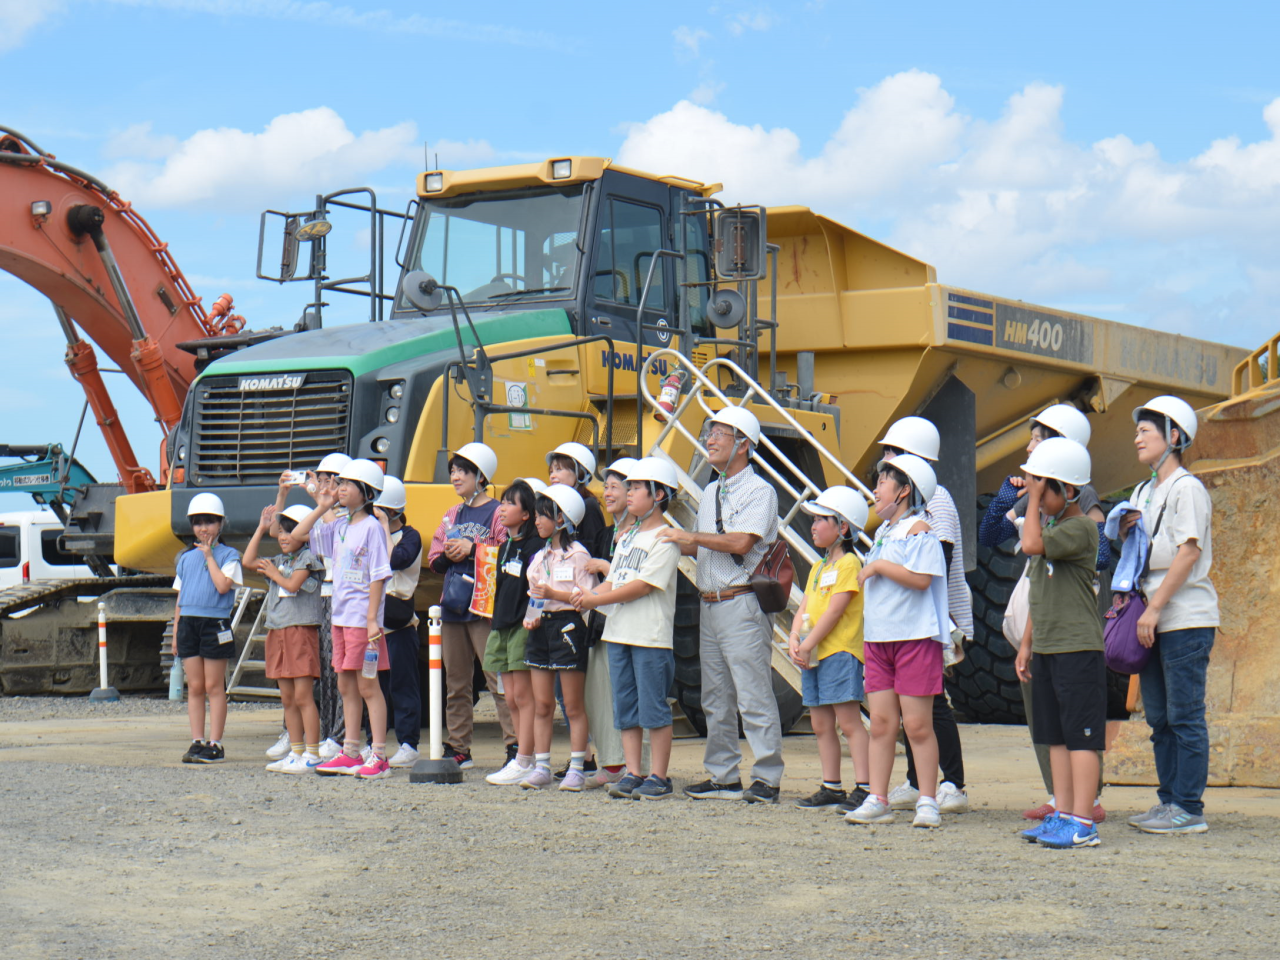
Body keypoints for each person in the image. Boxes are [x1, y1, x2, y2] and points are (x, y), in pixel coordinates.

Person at [977, 405, 1108, 822]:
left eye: (1037, 438)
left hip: (1072, 631)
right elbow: (990, 535)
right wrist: (1007, 499)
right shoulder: (1042, 503)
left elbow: (1096, 554)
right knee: (1050, 724)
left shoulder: (1077, 504)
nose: (1029, 447)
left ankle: (1084, 809)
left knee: (1078, 728)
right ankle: (1061, 802)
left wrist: (1032, 503)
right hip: (1044, 627)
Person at [657, 407, 784, 805]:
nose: (709, 439)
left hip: (741, 602)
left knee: (752, 693)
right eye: (710, 432)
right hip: (712, 603)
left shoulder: (761, 491)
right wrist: (665, 535)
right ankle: (723, 776)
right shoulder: (713, 489)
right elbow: (703, 542)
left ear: (743, 444)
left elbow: (740, 543)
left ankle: (767, 777)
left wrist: (687, 534)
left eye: (720, 433)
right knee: (715, 696)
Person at [1123, 396, 1218, 835]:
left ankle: (1188, 808)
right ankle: (1168, 802)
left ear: (1174, 436)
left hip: (1183, 617)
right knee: (1159, 717)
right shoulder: (1144, 492)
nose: (1137, 436)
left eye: (1147, 429)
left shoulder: (1187, 488)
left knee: (1184, 715)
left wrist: (1156, 606)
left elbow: (1188, 552)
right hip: (1151, 617)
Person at [844, 454, 949, 828]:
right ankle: (878, 797)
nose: (875, 490)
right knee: (883, 724)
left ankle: (927, 800)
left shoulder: (920, 530)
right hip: (879, 639)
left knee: (918, 726)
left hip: (914, 638)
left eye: (883, 483)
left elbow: (921, 578)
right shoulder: (884, 533)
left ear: (904, 490)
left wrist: (877, 566)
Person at [876, 417, 973, 816]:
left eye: (891, 453)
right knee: (915, 706)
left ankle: (951, 782)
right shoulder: (900, 515)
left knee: (932, 704)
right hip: (908, 621)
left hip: (934, 619)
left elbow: (940, 562)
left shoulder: (938, 500)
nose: (884, 460)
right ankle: (919, 782)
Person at [1014, 438, 1106, 849]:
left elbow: (1031, 544)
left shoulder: (1082, 527)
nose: (1037, 496)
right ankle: (1063, 814)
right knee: (1055, 735)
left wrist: (1031, 499)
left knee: (1080, 736)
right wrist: (1026, 644)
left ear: (1067, 490)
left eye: (1043, 488)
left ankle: (1083, 821)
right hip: (1049, 647)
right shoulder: (1052, 527)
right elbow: (1037, 591)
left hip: (1077, 647)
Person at [576, 457, 681, 800]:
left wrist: (593, 601)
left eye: (637, 488)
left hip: (649, 636)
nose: (630, 493)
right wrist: (589, 596)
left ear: (659, 494)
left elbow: (642, 586)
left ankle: (659, 776)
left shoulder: (665, 538)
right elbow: (615, 580)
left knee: (653, 708)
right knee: (626, 708)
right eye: (630, 487)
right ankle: (634, 772)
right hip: (618, 632)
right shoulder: (628, 536)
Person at [291, 459, 393, 780]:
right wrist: (323, 506)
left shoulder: (372, 528)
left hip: (363, 622)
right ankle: (350, 750)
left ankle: (378, 754)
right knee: (346, 685)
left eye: (348, 484)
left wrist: (373, 619)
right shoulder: (340, 526)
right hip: (341, 619)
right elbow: (298, 533)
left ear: (366, 492)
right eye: (340, 483)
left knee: (368, 686)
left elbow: (378, 576)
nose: (340, 488)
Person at [426, 442, 514, 769]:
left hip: (484, 605)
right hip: (452, 604)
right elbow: (434, 559)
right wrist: (447, 554)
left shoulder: (497, 511)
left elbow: (507, 553)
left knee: (498, 678)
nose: (455, 476)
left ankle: (514, 746)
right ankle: (459, 747)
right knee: (457, 681)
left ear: (481, 475)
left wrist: (473, 546)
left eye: (462, 470)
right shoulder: (452, 513)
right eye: (453, 470)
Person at [266, 451, 353, 763]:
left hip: (348, 598)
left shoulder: (354, 517)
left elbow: (338, 536)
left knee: (344, 674)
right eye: (324, 479)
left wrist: (321, 501)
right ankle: (323, 735)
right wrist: (285, 493)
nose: (328, 486)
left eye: (335, 480)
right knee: (327, 674)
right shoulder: (323, 513)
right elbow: (288, 532)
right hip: (327, 597)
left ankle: (344, 738)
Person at [788, 486, 871, 811]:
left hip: (839, 652)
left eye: (822, 519)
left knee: (848, 722)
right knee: (821, 723)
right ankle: (831, 785)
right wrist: (796, 639)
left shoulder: (850, 564)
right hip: (816, 653)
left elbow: (836, 611)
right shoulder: (820, 567)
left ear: (843, 527)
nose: (814, 526)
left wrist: (805, 643)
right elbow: (806, 609)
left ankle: (864, 786)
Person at [520, 484, 595, 790]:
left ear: (562, 518)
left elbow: (584, 596)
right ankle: (542, 766)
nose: (537, 521)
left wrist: (553, 594)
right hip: (542, 628)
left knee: (573, 705)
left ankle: (578, 766)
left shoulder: (578, 555)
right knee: (541, 704)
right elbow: (534, 596)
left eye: (544, 515)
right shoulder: (539, 557)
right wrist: (531, 618)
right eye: (536, 515)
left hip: (568, 627)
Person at [245, 501, 325, 774]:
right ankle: (297, 750)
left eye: (290, 531)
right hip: (278, 630)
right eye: (281, 530)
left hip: (301, 630)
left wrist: (274, 574)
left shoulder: (308, 559)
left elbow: (292, 584)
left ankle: (312, 754)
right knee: (288, 698)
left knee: (304, 696)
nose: (283, 536)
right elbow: (247, 561)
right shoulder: (278, 561)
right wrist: (260, 528)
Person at [578, 457, 640, 788]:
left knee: (623, 694)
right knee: (598, 694)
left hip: (628, 623)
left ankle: (630, 765)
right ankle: (610, 761)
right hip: (601, 624)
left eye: (615, 486)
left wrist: (606, 568)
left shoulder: (641, 534)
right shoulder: (606, 533)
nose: (608, 492)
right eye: (607, 486)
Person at [173, 493, 244, 764]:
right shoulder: (185, 558)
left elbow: (223, 586)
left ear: (221, 524)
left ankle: (216, 743)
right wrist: (177, 630)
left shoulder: (229, 555)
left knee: (214, 685)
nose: (204, 528)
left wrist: (209, 556)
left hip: (215, 623)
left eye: (210, 522)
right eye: (198, 522)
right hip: (189, 624)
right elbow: (181, 596)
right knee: (195, 686)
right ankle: (196, 741)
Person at [483, 480, 544, 785]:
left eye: (510, 503)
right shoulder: (505, 545)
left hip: (523, 624)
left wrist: (529, 621)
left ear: (526, 514)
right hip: (501, 623)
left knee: (523, 695)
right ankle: (522, 756)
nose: (502, 508)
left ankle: (526, 758)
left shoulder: (535, 546)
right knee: (509, 698)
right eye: (502, 502)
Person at [372, 477, 425, 769]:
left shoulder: (410, 536)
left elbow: (394, 560)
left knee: (404, 685)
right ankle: (374, 742)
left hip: (399, 621)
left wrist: (382, 527)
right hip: (374, 620)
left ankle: (408, 744)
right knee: (374, 685)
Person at [547, 441, 606, 553]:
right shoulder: (555, 506)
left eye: (559, 469)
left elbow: (593, 548)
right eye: (551, 471)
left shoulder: (589, 506)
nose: (552, 476)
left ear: (580, 473)